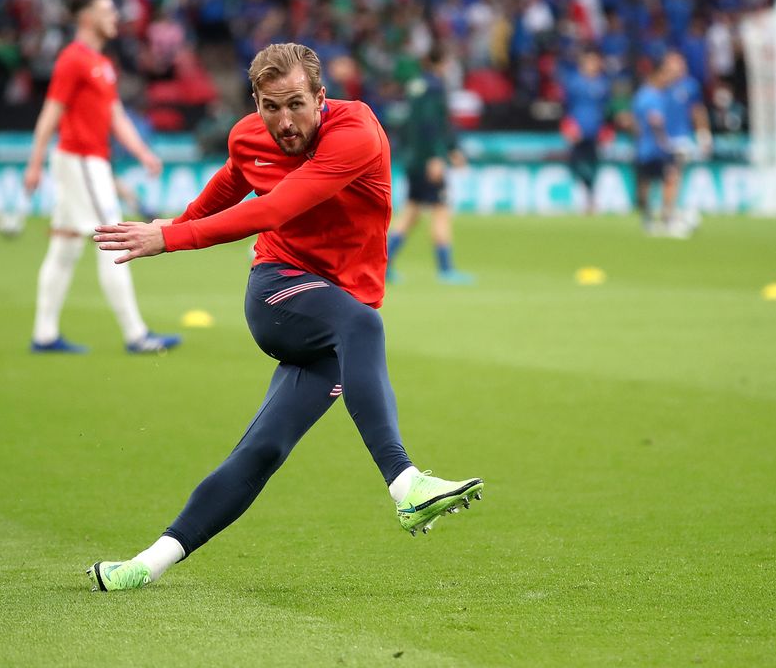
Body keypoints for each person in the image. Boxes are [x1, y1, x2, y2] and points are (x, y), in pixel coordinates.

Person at [86, 43, 484, 592]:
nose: (284, 121)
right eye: (270, 107)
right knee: (363, 327)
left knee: (264, 449)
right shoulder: (250, 134)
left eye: (296, 104)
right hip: (281, 291)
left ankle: (144, 564)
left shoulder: (357, 134)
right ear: (256, 101)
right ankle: (405, 483)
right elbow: (234, 182)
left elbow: (272, 206)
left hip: (339, 312)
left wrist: (171, 236)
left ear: (321, 97)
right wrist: (177, 225)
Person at [22, 0, 180, 355]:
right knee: (114, 240)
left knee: (64, 247)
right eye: (108, 11)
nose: (115, 17)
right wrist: (34, 163)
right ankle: (136, 335)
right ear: (87, 17)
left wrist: (143, 153)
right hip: (80, 160)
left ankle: (44, 335)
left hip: (85, 161)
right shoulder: (73, 60)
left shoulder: (102, 64)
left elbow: (115, 116)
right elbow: (51, 113)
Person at [385, 48, 474, 284]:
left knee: (412, 212)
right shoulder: (434, 87)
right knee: (441, 210)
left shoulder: (415, 86)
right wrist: (437, 156)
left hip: (413, 157)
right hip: (427, 159)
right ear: (442, 63)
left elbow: (411, 123)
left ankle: (382, 263)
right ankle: (446, 269)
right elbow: (432, 123)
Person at [631, 61, 685, 236]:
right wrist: (666, 143)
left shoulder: (645, 95)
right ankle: (662, 216)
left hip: (645, 146)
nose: (667, 79)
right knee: (661, 180)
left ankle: (656, 217)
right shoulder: (651, 96)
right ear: (656, 76)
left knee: (664, 178)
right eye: (664, 75)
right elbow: (656, 122)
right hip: (654, 147)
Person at [559, 48, 610, 214]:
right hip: (577, 131)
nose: (594, 65)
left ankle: (591, 200)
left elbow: (605, 109)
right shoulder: (574, 82)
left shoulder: (603, 83)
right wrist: (569, 126)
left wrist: (605, 129)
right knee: (578, 165)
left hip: (594, 132)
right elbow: (567, 107)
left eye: (596, 62)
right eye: (590, 62)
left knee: (593, 167)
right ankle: (579, 199)